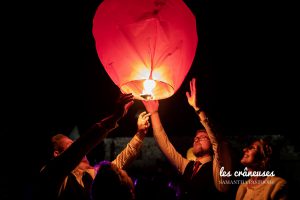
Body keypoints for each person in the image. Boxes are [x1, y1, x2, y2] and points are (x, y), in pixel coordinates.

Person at [36, 93, 151, 200]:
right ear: (57, 154)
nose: (83, 150)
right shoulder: (52, 175)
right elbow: (80, 146)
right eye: (71, 145)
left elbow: (121, 161)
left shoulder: (96, 174)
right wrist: (114, 117)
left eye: (75, 144)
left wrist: (140, 134)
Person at [142, 78, 232, 200]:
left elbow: (216, 141)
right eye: (195, 137)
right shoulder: (188, 166)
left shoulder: (217, 169)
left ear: (211, 144)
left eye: (203, 137)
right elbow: (164, 144)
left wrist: (197, 109)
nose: (196, 139)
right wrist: (154, 113)